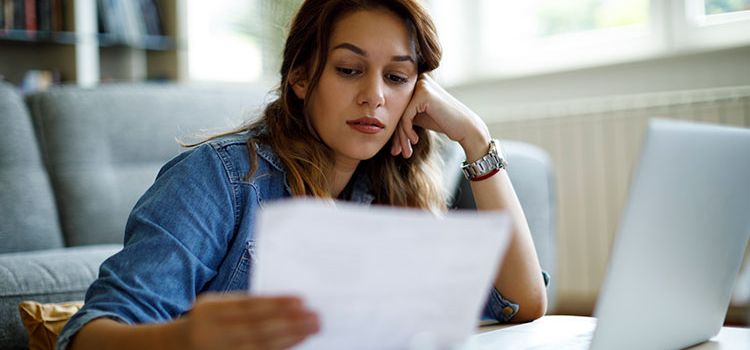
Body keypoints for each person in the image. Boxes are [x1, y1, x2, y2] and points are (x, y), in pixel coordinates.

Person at [58, 0, 548, 349]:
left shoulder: (392, 189)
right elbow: (87, 335)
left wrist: (476, 139)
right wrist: (186, 338)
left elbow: (520, 303)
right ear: (299, 77)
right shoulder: (221, 178)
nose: (375, 95)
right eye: (349, 70)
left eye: (396, 77)